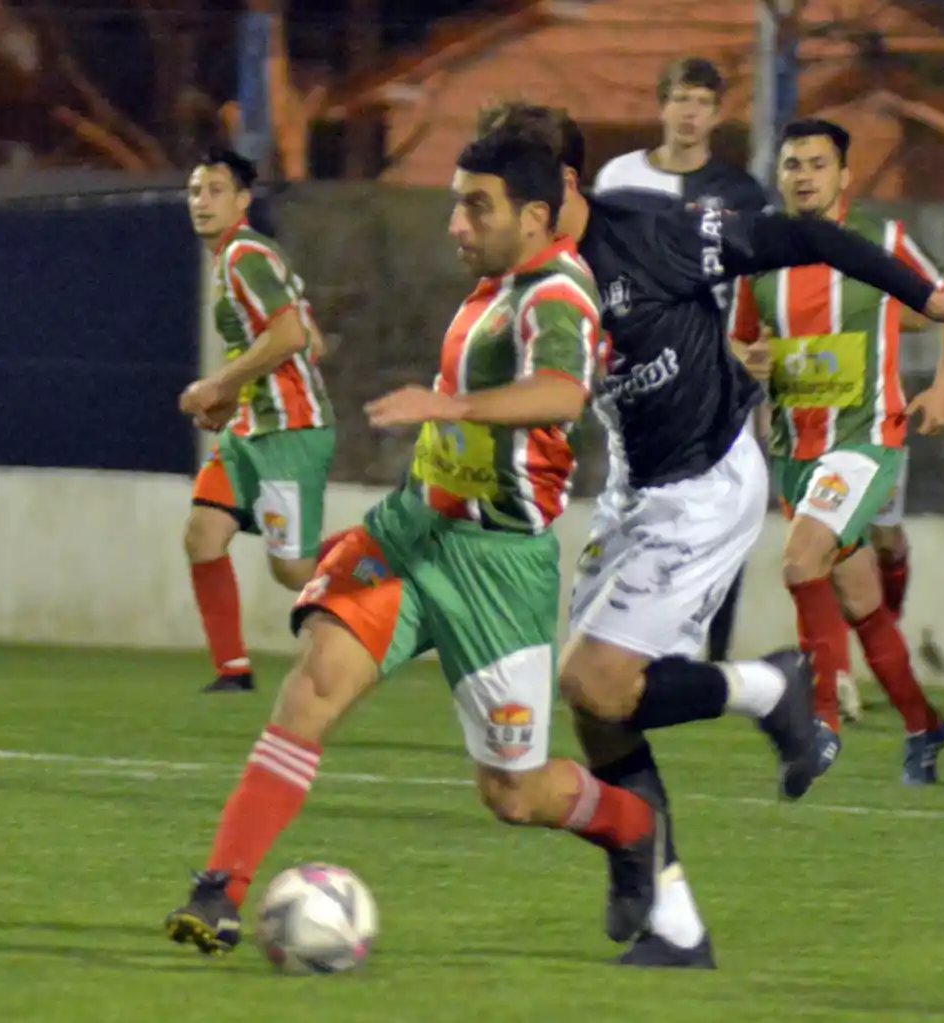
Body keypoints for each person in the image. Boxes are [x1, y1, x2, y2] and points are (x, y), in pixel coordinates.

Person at [474, 104, 944, 967]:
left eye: (489, 199)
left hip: (706, 482)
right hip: (633, 491)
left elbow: (813, 239)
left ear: (556, 190)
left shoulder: (658, 233)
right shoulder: (528, 282)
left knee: (595, 679)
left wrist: (936, 298)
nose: (475, 220)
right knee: (600, 715)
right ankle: (675, 921)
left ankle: (771, 692)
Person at [166, 133, 678, 960]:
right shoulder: (495, 287)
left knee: (513, 793)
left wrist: (451, 411)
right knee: (314, 686)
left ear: (537, 215)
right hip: (412, 532)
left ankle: (633, 829)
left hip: (498, 568)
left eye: (476, 204)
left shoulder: (558, 296)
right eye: (456, 200)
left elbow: (562, 390)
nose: (455, 222)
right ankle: (219, 889)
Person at [728, 118, 944, 781]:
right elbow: (741, 341)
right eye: (791, 164)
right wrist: (747, 359)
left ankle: (821, 721)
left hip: (865, 441)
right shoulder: (760, 253)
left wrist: (943, 388)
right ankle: (926, 726)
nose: (802, 174)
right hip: (795, 451)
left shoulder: (882, 242)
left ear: (843, 175)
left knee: (802, 562)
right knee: (859, 600)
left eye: (816, 163)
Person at [592, 56, 771, 663]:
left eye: (702, 103)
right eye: (681, 100)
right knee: (637, 496)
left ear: (718, 114)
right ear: (661, 104)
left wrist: (755, 343)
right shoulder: (617, 177)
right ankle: (638, 632)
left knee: (717, 495)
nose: (690, 114)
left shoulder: (739, 193)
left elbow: (755, 276)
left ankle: (708, 647)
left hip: (712, 364)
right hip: (635, 368)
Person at [178, 148, 336, 694]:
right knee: (203, 535)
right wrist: (231, 402)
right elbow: (308, 338)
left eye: (215, 190)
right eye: (195, 191)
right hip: (251, 427)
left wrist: (219, 384)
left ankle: (390, 572)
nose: (201, 201)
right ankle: (233, 671)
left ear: (243, 201)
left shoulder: (245, 255)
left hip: (287, 430)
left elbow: (293, 337)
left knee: (294, 570)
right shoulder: (239, 258)